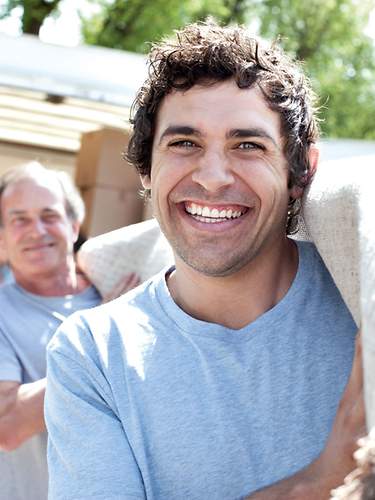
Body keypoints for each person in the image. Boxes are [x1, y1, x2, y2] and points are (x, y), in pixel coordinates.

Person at [45, 21, 364, 499]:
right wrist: (323, 478)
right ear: (147, 169)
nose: (213, 178)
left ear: (301, 171)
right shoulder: (93, 354)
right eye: (185, 143)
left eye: (248, 145)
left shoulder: (362, 303)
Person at [0, 162, 138, 500]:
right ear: (2, 236)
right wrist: (104, 337)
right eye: (19, 219)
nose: (36, 230)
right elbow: (8, 424)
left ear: (74, 225)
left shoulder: (127, 292)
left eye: (49, 215)